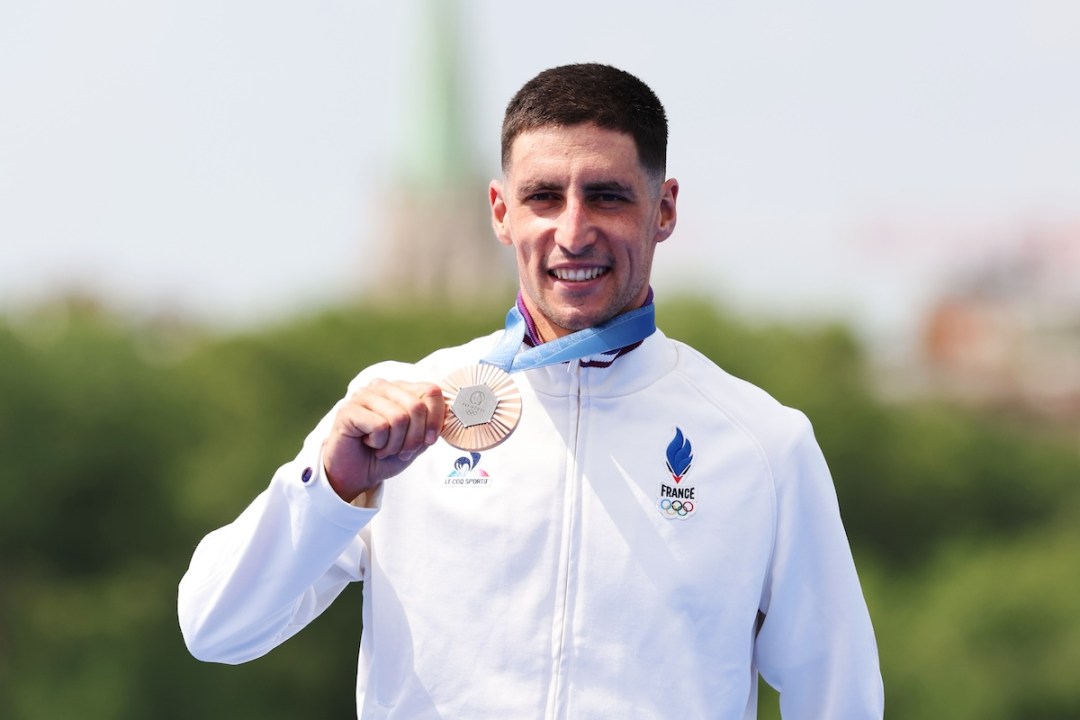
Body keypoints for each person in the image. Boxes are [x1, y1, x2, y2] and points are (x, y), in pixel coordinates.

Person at [179, 63, 884, 719]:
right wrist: (330, 486)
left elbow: (840, 694)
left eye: (606, 196)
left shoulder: (762, 443)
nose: (573, 232)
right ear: (500, 211)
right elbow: (215, 626)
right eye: (544, 197)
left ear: (664, 209)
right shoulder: (392, 412)